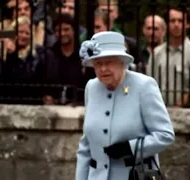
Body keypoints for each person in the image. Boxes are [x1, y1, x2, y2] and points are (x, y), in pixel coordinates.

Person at [75, 31, 175, 180]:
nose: (102, 69)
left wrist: (129, 147)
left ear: (122, 62)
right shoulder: (92, 87)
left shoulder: (144, 86)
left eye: (108, 62)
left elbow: (165, 135)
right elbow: (86, 146)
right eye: (97, 63)